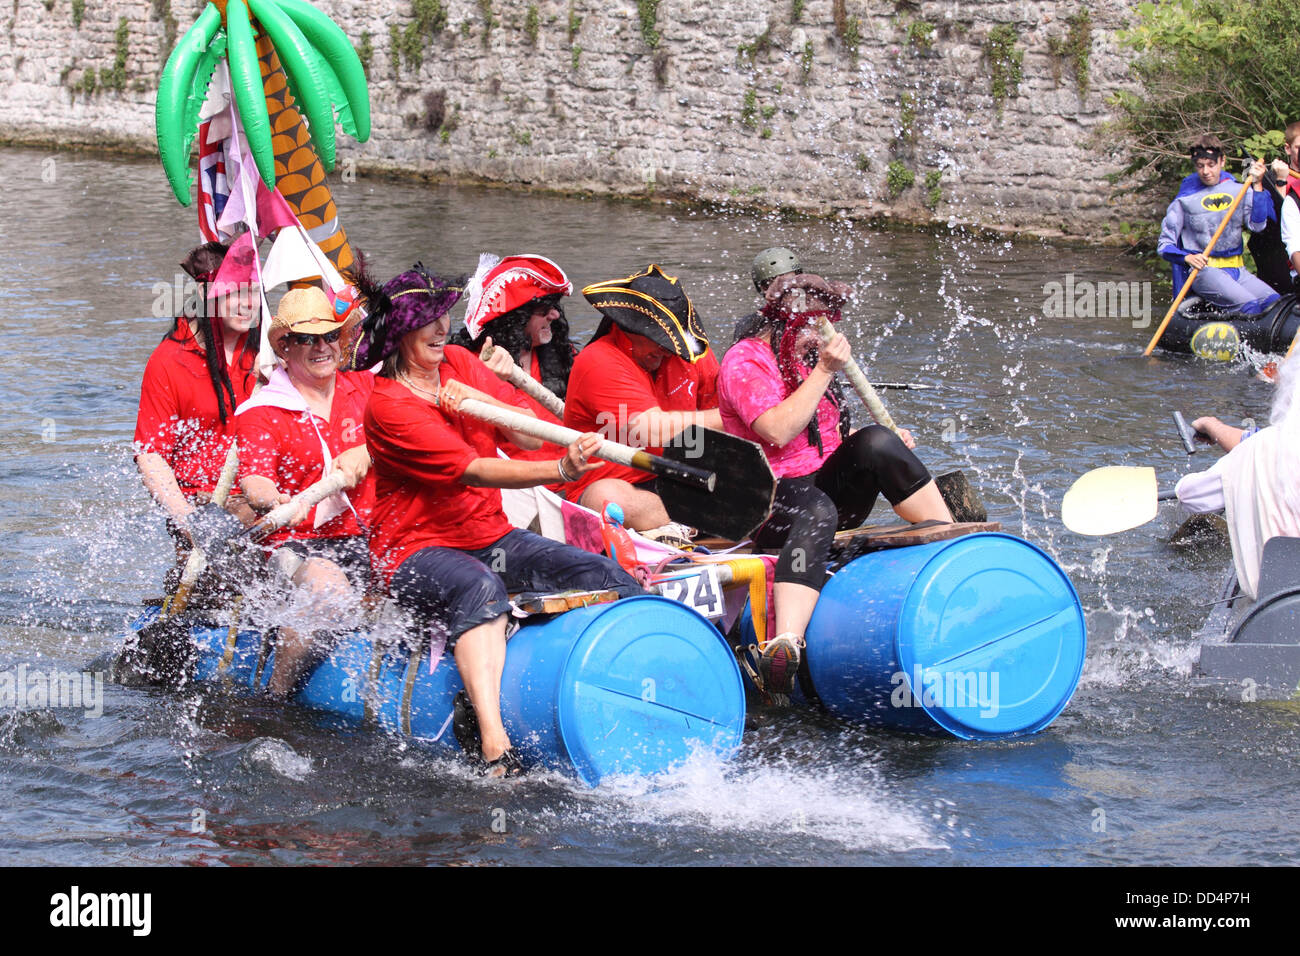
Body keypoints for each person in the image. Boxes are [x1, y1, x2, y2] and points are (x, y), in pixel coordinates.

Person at [353, 263, 643, 776]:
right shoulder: (388, 405)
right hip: (412, 554)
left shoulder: (462, 362)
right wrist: (557, 470)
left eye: (445, 315)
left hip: (490, 536)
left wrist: (481, 401)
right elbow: (474, 471)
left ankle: (645, 686)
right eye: (429, 321)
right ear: (399, 335)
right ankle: (493, 743)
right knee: (480, 586)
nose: (444, 329)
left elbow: (530, 432)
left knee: (607, 576)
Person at [719, 271, 953, 696]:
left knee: (877, 443)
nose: (824, 336)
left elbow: (829, 443)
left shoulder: (805, 359)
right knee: (816, 507)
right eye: (815, 326)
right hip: (764, 502)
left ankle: (952, 550)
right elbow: (777, 431)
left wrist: (882, 448)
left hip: (818, 490)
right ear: (788, 322)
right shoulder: (745, 361)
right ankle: (783, 645)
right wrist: (826, 369)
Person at [235, 286, 373, 698]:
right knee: (328, 589)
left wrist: (366, 450)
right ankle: (276, 697)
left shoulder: (365, 389)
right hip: (292, 545)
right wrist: (273, 501)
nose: (321, 347)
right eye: (307, 339)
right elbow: (254, 483)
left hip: (365, 536)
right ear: (285, 347)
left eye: (330, 336)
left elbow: (405, 431)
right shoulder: (261, 412)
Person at [563, 264, 722, 544]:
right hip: (621, 486)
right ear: (628, 328)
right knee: (607, 497)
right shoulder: (598, 360)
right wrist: (737, 414)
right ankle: (696, 522)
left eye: (672, 344)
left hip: (684, 478)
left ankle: (685, 523)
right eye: (659, 341)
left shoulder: (691, 354)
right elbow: (652, 431)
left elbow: (723, 426)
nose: (667, 350)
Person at [134, 240, 261, 566]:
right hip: (202, 502)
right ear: (210, 296)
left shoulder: (272, 350)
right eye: (237, 292)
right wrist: (190, 520)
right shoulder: (168, 361)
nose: (249, 304)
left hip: (264, 496)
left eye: (254, 291)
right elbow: (151, 456)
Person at [1176, 357, 1300, 599]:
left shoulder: (1259, 446)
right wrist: (1216, 428)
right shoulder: (1257, 444)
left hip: (1272, 605)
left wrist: (1240, 473)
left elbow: (1190, 497)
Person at [450, 253, 575, 470]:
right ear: (515, 318)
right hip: (517, 487)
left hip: (571, 477)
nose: (554, 315)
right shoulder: (467, 364)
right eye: (544, 309)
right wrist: (488, 380)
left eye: (555, 306)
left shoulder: (564, 353)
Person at [1157, 135, 1278, 315]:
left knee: (1274, 302)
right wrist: (1187, 258)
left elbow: (1257, 226)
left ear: (1222, 161)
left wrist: (1258, 184)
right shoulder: (1184, 199)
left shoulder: (1240, 189)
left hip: (1237, 269)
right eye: (1200, 166)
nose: (1206, 171)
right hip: (1204, 272)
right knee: (1249, 305)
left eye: (1211, 165)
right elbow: (1164, 245)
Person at [1275, 122, 1300, 290]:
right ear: (1288, 148)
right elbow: (1277, 222)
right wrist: (1281, 182)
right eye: (1298, 147)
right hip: (1287, 267)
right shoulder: (1277, 179)